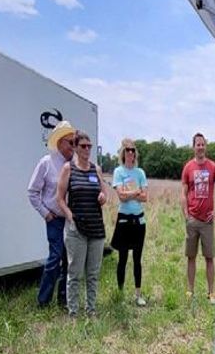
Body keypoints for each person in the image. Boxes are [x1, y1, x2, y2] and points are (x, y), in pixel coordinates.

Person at [55, 131, 108, 318]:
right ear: (76, 147)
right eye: (83, 146)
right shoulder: (68, 169)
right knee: (75, 273)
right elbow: (59, 198)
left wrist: (103, 197)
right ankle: (73, 312)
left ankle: (91, 310)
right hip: (76, 229)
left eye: (89, 146)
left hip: (96, 228)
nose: (87, 149)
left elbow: (104, 194)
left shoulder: (97, 170)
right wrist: (70, 216)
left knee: (93, 273)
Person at [28, 119, 74, 308]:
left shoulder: (75, 164)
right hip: (54, 218)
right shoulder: (46, 163)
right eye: (70, 142)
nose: (73, 146)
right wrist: (45, 213)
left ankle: (63, 300)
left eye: (75, 142)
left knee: (68, 260)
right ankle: (43, 301)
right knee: (55, 258)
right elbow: (32, 191)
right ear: (60, 142)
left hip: (70, 219)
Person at [181, 132, 215, 302]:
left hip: (207, 221)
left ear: (206, 146)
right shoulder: (188, 167)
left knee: (209, 258)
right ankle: (190, 291)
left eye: (202, 144)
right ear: (193, 147)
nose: (200, 147)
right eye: (197, 144)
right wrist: (186, 214)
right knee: (191, 257)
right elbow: (183, 193)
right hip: (192, 219)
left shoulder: (212, 167)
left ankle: (211, 292)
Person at [111, 137, 149, 306]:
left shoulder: (140, 173)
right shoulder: (118, 172)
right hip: (124, 220)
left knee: (137, 259)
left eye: (133, 150)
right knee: (123, 258)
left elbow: (145, 197)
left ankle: (138, 294)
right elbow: (121, 196)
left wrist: (130, 193)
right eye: (127, 150)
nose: (131, 153)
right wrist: (136, 193)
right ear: (123, 153)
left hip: (139, 221)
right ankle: (120, 293)